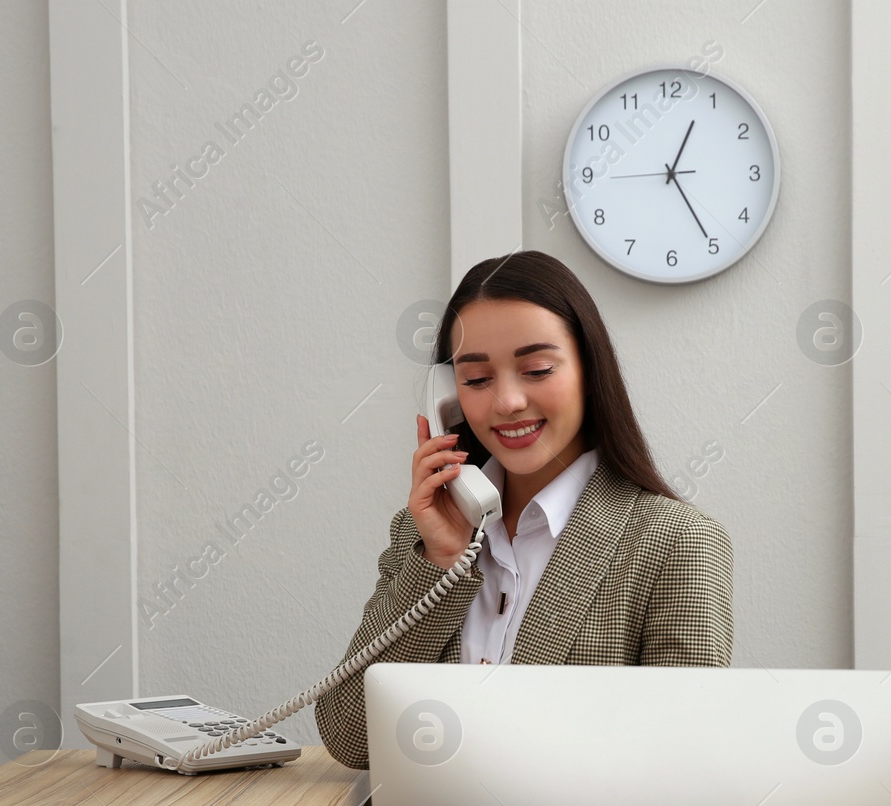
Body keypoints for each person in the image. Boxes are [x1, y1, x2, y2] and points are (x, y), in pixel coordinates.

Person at [314, 250, 734, 769]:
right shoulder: (420, 535)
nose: (507, 401)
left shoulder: (676, 540)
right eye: (476, 379)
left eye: (536, 369)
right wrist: (439, 563)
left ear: (589, 370)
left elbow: (686, 762)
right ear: (447, 397)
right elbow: (351, 738)